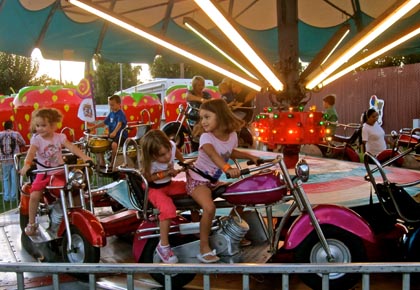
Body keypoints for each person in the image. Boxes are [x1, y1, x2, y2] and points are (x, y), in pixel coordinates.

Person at [187, 99, 259, 263]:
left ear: (220, 116)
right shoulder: (206, 137)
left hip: (213, 181)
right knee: (209, 208)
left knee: (241, 198)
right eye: (202, 118)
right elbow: (214, 155)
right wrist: (227, 169)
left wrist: (250, 156)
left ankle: (232, 234)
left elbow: (229, 151)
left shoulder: (232, 135)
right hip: (198, 180)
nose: (203, 122)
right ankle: (204, 247)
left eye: (207, 117)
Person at [20, 108, 93, 236]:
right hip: (44, 173)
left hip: (59, 172)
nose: (40, 128)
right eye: (37, 126)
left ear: (53, 125)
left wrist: (85, 157)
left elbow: (71, 147)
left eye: (43, 125)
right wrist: (27, 164)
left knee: (75, 187)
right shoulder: (37, 140)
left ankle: (76, 215)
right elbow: (31, 153)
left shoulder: (60, 137)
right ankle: (31, 223)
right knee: (34, 195)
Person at [140, 129, 187, 263]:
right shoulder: (149, 163)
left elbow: (175, 150)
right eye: (162, 155)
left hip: (168, 184)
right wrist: (166, 173)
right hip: (154, 189)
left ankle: (196, 227)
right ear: (152, 155)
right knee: (168, 209)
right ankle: (164, 245)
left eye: (167, 152)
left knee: (192, 188)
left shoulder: (170, 146)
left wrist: (182, 161)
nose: (167, 157)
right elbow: (148, 178)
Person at [88, 94, 128, 167]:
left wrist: (114, 132)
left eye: (112, 105)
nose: (111, 107)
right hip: (112, 135)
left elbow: (119, 124)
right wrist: (93, 128)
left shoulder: (120, 114)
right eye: (110, 105)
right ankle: (102, 162)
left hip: (121, 136)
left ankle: (113, 162)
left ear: (119, 104)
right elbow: (104, 123)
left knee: (114, 144)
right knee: (99, 142)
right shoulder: (111, 113)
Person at [0, 120, 26, 202]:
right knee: (14, 178)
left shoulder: (0, 134)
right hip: (14, 159)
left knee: (5, 178)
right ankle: (14, 196)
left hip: (4, 159)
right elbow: (23, 143)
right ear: (12, 126)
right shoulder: (16, 134)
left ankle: (6, 197)